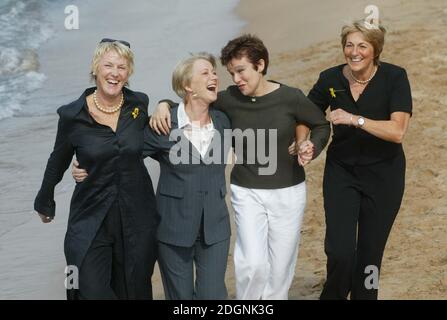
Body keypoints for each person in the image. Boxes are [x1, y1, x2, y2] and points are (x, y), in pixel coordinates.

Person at [150, 35, 330, 300]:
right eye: (232, 73)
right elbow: (190, 99)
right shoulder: (228, 99)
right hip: (246, 191)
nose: (236, 79)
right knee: (252, 265)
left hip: (288, 191)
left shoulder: (291, 97)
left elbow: (321, 124)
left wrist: (310, 145)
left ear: (260, 64)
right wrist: (162, 104)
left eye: (241, 71)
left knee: (280, 267)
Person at [74, 53, 232, 300]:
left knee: (213, 295)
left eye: (214, 72)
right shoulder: (163, 126)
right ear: (188, 86)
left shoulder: (224, 121)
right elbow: (125, 153)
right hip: (173, 229)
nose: (214, 76)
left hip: (216, 228)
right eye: (205, 72)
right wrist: (87, 165)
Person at [34, 39, 158, 300]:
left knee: (133, 290)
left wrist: (166, 103)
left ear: (129, 72)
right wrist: (45, 199)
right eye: (108, 65)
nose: (115, 73)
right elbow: (58, 159)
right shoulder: (72, 115)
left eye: (122, 67)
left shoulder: (140, 104)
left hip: (136, 216)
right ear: (95, 68)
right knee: (86, 286)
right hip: (90, 216)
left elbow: (153, 140)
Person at [302, 20, 412, 299]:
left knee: (370, 254)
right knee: (340, 251)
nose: (354, 52)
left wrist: (355, 119)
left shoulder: (395, 77)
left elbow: (397, 131)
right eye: (349, 45)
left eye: (362, 46)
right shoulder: (329, 79)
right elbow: (305, 113)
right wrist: (305, 140)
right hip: (342, 173)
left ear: (375, 50)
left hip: (384, 176)